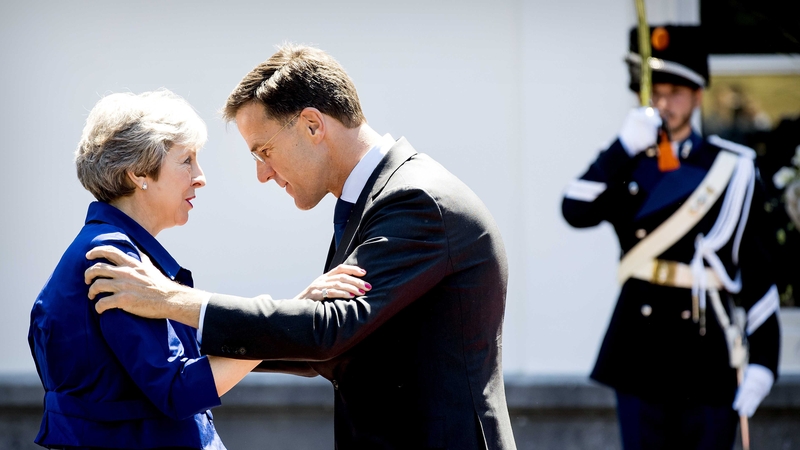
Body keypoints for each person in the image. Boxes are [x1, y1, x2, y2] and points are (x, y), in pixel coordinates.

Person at [84, 44, 516, 449]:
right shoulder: (373, 199)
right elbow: (325, 345)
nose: (263, 174)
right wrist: (184, 354)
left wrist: (171, 300)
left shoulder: (414, 200)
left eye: (264, 151)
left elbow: (328, 333)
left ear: (313, 125)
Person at [28, 89, 368, 449]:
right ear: (137, 173)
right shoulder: (112, 258)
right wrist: (289, 316)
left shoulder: (112, 249)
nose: (200, 176)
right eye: (186, 160)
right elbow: (177, 390)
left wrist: (291, 317)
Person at [562, 25, 781, 449]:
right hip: (639, 351)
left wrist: (764, 362)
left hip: (707, 354)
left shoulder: (731, 169)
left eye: (676, 92)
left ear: (698, 95)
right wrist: (621, 148)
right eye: (656, 92)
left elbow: (755, 266)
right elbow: (574, 209)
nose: (664, 103)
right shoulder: (629, 162)